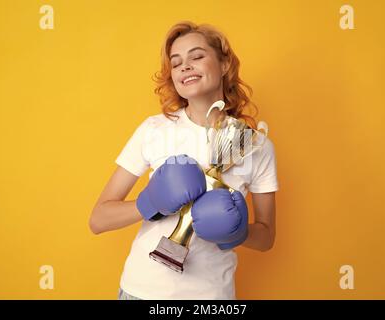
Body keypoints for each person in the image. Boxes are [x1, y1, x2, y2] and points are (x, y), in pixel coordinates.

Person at [89, 21, 279, 300]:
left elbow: (266, 238)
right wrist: (149, 202)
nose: (185, 67)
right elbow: (98, 220)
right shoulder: (155, 130)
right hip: (141, 291)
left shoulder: (255, 146)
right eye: (176, 63)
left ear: (224, 64)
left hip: (212, 297)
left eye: (197, 56)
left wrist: (237, 233)